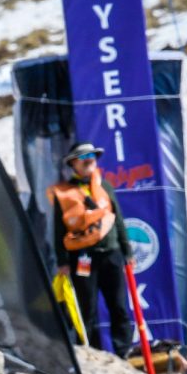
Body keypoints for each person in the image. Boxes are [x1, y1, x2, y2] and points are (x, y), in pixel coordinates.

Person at [47, 144, 134, 358]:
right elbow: (58, 229)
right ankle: (91, 354)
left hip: (111, 254)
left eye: (92, 156)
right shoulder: (63, 192)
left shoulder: (105, 185)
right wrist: (62, 261)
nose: (89, 159)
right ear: (73, 163)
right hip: (82, 258)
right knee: (86, 309)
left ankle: (124, 350)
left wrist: (127, 251)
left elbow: (118, 219)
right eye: (83, 156)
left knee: (119, 306)